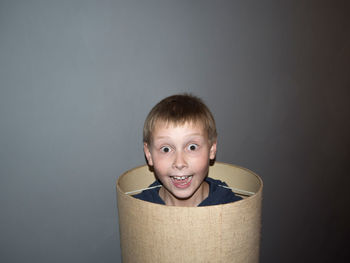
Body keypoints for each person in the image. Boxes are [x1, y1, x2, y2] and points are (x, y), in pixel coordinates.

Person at [133, 94, 242, 206]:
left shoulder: (235, 207)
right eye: (166, 149)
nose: (179, 163)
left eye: (192, 147)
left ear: (212, 149)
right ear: (149, 154)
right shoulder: (136, 208)